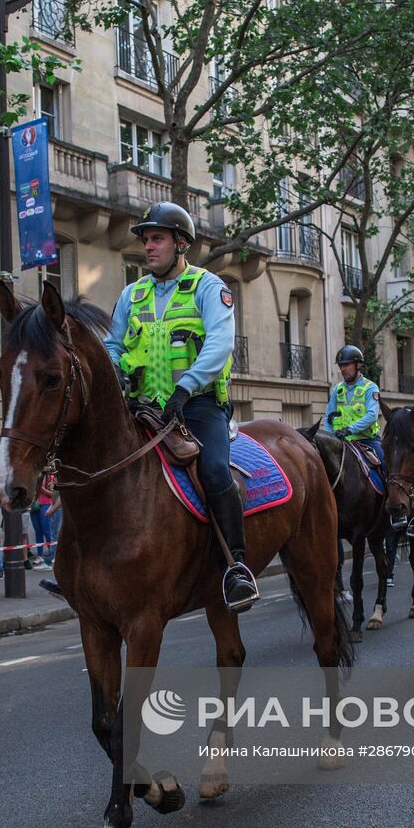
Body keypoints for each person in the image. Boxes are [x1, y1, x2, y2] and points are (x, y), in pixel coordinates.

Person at [100, 201, 257, 612]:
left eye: (157, 239)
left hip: (197, 406)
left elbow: (221, 345)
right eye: (146, 240)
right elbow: (113, 347)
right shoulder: (131, 294)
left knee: (214, 469)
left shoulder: (209, 287)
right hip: (142, 408)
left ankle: (236, 566)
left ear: (181, 243)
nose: (148, 247)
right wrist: (110, 371)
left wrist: (185, 389)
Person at [323, 344, 383, 464]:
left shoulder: (370, 388)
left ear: (358, 364)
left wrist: (350, 430)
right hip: (341, 443)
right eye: (341, 365)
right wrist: (329, 440)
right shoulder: (337, 389)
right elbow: (328, 418)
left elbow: (372, 415)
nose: (343, 369)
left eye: (346, 364)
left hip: (367, 441)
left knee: (386, 464)